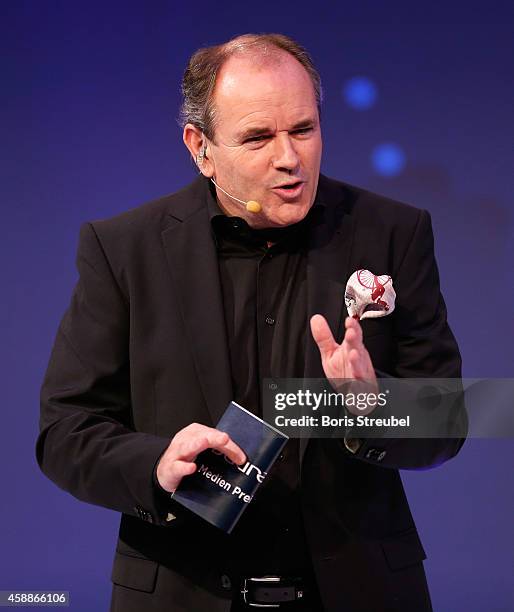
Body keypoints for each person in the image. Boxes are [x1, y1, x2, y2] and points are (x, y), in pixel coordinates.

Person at [37, 33, 466, 612]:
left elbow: (450, 417)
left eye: (304, 130)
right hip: (182, 594)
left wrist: (376, 406)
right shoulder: (124, 250)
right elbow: (65, 431)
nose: (289, 158)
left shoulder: (392, 233)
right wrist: (156, 464)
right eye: (258, 137)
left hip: (357, 591)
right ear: (201, 147)